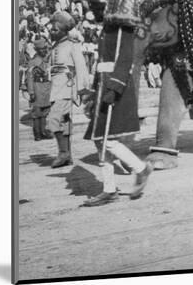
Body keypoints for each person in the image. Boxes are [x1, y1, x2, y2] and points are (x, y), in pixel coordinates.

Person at [82, 26, 153, 207]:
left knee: (108, 140)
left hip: (114, 89)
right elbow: (102, 63)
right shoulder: (107, 28)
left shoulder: (122, 27)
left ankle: (141, 169)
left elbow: (125, 60)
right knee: (100, 140)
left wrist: (114, 88)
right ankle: (109, 189)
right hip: (103, 87)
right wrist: (94, 91)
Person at [46, 11, 91, 168]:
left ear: (63, 30)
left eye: (55, 29)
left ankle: (63, 153)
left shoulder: (73, 45)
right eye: (51, 29)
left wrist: (82, 89)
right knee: (64, 121)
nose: (52, 32)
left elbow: (81, 67)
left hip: (67, 88)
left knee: (53, 119)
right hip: (55, 88)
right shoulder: (55, 46)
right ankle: (67, 155)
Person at [26, 37, 53, 141]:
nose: (44, 50)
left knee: (45, 112)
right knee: (37, 113)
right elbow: (30, 77)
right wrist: (31, 91)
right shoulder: (33, 62)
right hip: (37, 88)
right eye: (42, 49)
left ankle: (43, 132)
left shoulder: (46, 60)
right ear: (37, 50)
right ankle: (37, 134)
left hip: (46, 88)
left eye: (45, 49)